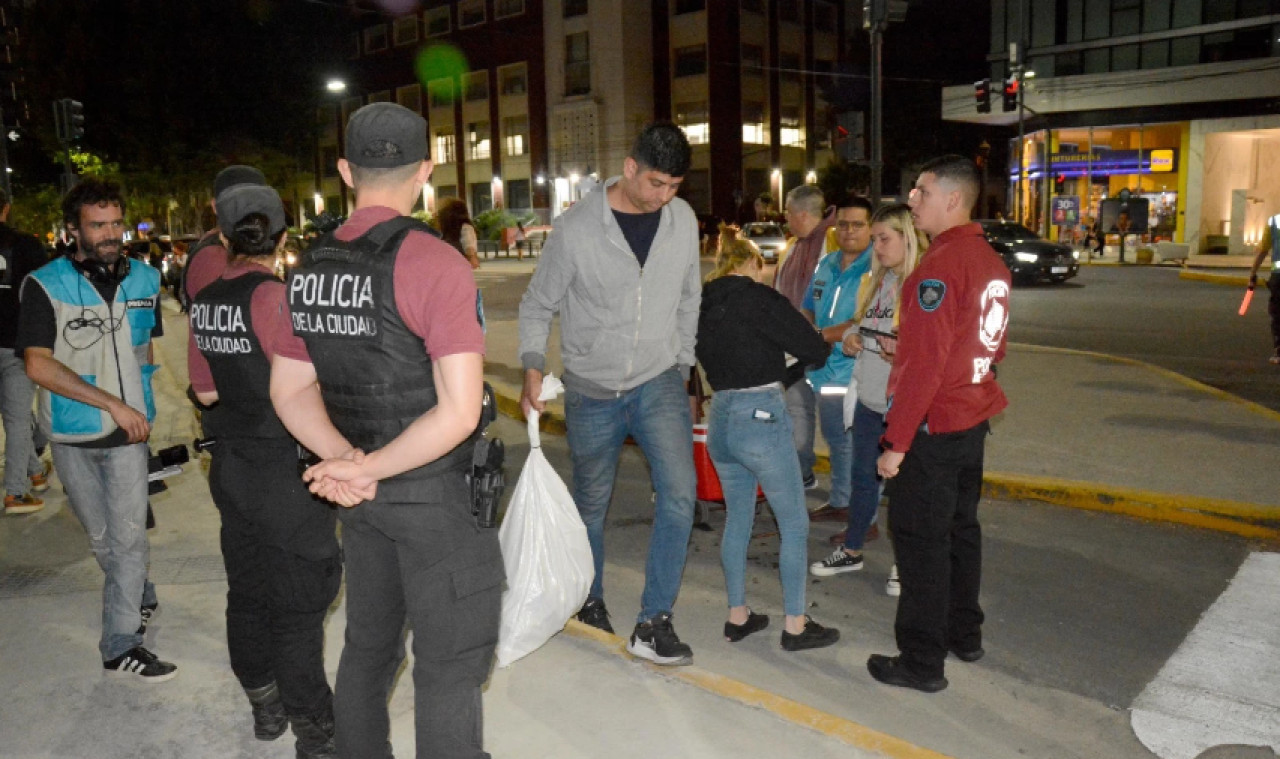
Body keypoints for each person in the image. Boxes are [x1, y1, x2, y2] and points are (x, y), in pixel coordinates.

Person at [271, 102, 500, 759]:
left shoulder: (307, 268)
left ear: (346, 171)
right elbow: (458, 411)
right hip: (431, 498)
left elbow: (287, 390)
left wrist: (349, 461)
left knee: (368, 648)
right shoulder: (435, 263)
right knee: (448, 665)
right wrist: (366, 467)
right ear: (426, 171)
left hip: (364, 501)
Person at [518, 121, 701, 665]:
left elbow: (691, 296)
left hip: (659, 378)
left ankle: (654, 619)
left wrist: (688, 370)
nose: (664, 196)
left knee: (680, 493)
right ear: (630, 168)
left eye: (674, 186)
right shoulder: (576, 230)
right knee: (591, 502)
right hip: (592, 390)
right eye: (656, 183)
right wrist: (531, 366)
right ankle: (588, 598)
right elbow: (536, 304)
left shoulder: (682, 220)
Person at [188, 185, 341, 757]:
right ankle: (316, 732)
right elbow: (298, 388)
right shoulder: (279, 298)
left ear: (223, 237)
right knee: (298, 604)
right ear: (282, 236)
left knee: (247, 592)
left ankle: (266, 707)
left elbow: (204, 392)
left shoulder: (203, 298)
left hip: (231, 468)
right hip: (285, 471)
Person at [18, 179, 176, 682]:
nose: (110, 234)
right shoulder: (45, 284)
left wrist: (140, 403)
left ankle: (120, 643)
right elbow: (38, 366)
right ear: (74, 230)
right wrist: (111, 402)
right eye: (97, 225)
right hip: (71, 433)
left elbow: (145, 349)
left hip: (130, 435)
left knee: (129, 540)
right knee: (103, 539)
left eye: (115, 223)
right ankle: (139, 595)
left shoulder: (147, 280)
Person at [868, 155, 1010, 693]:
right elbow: (989, 344)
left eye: (920, 191)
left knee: (921, 542)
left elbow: (925, 368)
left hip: (935, 427)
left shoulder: (939, 267)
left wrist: (895, 443)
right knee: (960, 531)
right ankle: (962, 633)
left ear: (952, 199)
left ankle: (922, 661)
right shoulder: (988, 261)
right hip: (973, 417)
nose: (912, 200)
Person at [697, 228, 839, 651]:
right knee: (793, 523)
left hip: (720, 417)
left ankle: (737, 615)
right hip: (760, 416)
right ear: (754, 264)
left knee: (739, 517)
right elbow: (814, 348)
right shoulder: (761, 298)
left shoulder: (701, 303)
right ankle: (795, 624)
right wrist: (785, 373)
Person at [809, 204, 925, 596]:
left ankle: (905, 565)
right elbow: (860, 325)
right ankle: (852, 547)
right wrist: (851, 339)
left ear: (907, 237)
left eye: (883, 238)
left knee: (905, 492)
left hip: (902, 404)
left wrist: (902, 352)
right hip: (870, 398)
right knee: (862, 478)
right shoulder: (879, 280)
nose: (876, 246)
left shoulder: (920, 284)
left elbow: (931, 347)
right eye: (874, 238)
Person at [803, 197, 875, 524]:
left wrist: (819, 336)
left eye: (857, 224)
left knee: (851, 445)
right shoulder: (827, 263)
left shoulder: (877, 268)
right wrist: (802, 331)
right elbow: (808, 306)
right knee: (836, 441)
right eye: (843, 224)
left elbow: (865, 321)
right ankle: (843, 501)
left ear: (871, 228)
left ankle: (850, 507)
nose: (848, 231)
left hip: (853, 372)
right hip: (821, 371)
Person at [772, 184, 836, 492]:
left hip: (830, 348)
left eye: (787, 211)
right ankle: (801, 472)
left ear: (802, 213)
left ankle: (845, 491)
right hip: (794, 348)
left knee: (836, 420)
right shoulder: (795, 247)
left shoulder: (834, 243)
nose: (784, 217)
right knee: (797, 408)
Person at [0, 188, 52, 515]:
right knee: (18, 419)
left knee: (15, 415)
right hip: (15, 343)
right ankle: (15, 493)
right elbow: (45, 294)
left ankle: (34, 473)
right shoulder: (26, 246)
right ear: (5, 208)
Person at [1247, 216, 1279, 364]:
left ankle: (1279, 352)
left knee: (1278, 314)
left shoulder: (1274, 222)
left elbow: (1262, 251)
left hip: (1279, 277)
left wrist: (1253, 274)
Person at [436, 197, 482, 269]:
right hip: (458, 264)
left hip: (452, 264)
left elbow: (468, 244)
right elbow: (468, 243)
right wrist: (472, 257)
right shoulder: (465, 227)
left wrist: (472, 257)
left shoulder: (450, 231)